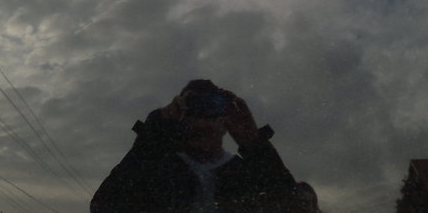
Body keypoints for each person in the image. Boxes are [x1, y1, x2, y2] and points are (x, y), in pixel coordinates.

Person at [91, 79, 315, 213]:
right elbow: (105, 206)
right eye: (192, 112)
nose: (200, 123)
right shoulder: (156, 171)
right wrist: (155, 132)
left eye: (211, 113)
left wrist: (254, 143)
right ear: (178, 117)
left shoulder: (246, 175)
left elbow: (293, 207)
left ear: (226, 122)